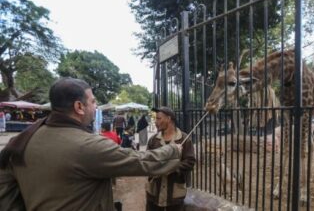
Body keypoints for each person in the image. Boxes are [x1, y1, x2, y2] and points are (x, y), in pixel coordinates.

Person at [0, 78, 182, 211]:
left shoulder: (22, 141)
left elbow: (7, 194)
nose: (96, 107)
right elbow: (141, 161)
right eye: (93, 101)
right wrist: (173, 149)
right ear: (79, 107)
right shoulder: (87, 146)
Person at [146, 106, 195, 211]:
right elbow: (146, 161)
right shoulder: (153, 140)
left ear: (169, 119)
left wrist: (172, 168)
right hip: (154, 192)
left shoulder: (184, 139)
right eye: (155, 119)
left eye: (159, 118)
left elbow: (190, 162)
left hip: (174, 195)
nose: (155, 122)